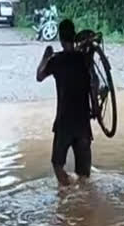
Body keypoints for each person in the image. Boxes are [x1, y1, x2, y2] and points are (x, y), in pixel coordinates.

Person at [36, 19, 93, 186]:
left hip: (64, 122)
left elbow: (39, 76)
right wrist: (96, 108)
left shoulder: (56, 60)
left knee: (57, 165)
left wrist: (45, 57)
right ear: (74, 35)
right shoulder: (85, 59)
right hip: (83, 123)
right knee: (84, 176)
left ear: (60, 38)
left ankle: (67, 192)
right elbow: (94, 83)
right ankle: (83, 203)